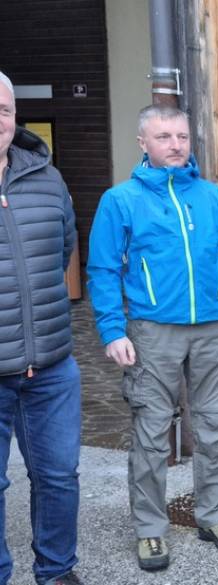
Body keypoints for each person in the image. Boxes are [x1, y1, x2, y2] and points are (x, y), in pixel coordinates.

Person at [86, 104, 218, 572]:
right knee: (150, 433)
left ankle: (215, 515)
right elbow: (102, 270)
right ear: (143, 143)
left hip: (209, 328)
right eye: (163, 137)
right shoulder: (120, 200)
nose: (176, 145)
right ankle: (149, 529)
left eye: (181, 136)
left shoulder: (214, 198)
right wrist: (112, 329)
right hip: (152, 330)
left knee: (214, 429)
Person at [0, 71, 83, 585]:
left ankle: (56, 572)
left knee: (58, 478)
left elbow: (62, 248)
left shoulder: (46, 177)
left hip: (50, 367)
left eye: (4, 110)